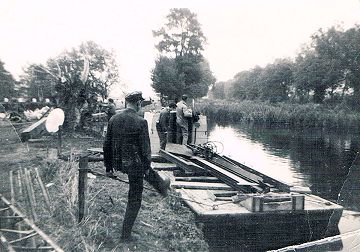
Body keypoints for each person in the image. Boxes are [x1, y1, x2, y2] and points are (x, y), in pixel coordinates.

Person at [103, 91, 151, 242]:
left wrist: (108, 168)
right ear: (138, 104)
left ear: (125, 103)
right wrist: (147, 167)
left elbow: (106, 145)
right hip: (135, 165)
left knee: (137, 190)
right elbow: (145, 149)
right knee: (135, 198)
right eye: (140, 104)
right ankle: (126, 235)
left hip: (118, 163)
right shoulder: (141, 121)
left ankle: (162, 186)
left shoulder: (113, 119)